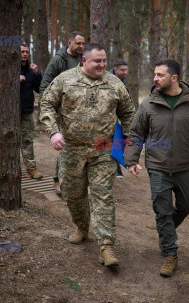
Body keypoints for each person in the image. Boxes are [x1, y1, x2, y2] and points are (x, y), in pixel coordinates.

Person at [124, 58, 189, 277]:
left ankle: (165, 230)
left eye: (160, 75)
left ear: (174, 78)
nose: (155, 79)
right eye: (155, 75)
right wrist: (131, 160)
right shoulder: (148, 103)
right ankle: (170, 253)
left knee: (187, 205)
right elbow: (136, 133)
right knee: (162, 209)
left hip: (183, 166)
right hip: (157, 166)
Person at [40, 43, 135, 267]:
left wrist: (129, 144)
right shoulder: (65, 79)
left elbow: (128, 112)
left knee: (103, 196)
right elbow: (46, 104)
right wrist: (53, 132)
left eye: (104, 61)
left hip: (103, 148)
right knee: (72, 193)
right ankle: (82, 226)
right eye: (97, 61)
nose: (102, 65)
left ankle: (106, 246)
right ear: (84, 61)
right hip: (71, 148)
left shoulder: (115, 84)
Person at [40, 31, 85, 195]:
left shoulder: (83, 60)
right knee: (65, 145)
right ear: (70, 43)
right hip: (62, 111)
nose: (81, 46)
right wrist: (51, 107)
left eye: (83, 44)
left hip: (81, 110)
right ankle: (58, 179)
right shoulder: (59, 60)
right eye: (78, 43)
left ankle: (75, 179)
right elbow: (45, 84)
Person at [20, 44, 43, 179]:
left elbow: (39, 89)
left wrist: (37, 74)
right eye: (22, 52)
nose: (25, 54)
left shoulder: (30, 69)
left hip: (27, 111)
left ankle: (31, 169)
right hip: (11, 113)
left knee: (28, 141)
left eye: (26, 52)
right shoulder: (9, 69)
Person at [109, 58, 128, 178]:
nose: (125, 72)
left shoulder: (122, 80)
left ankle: (117, 169)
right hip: (107, 116)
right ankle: (115, 170)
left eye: (126, 70)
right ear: (115, 70)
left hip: (117, 114)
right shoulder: (108, 79)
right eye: (122, 70)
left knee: (116, 140)